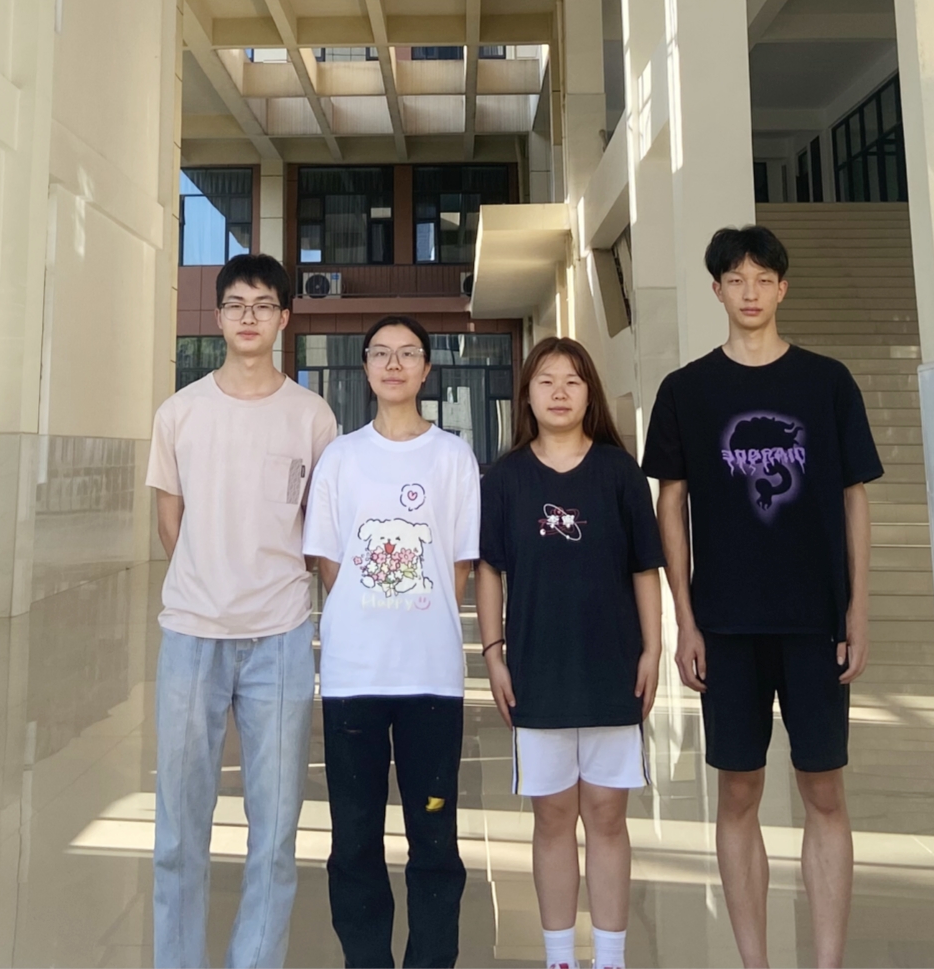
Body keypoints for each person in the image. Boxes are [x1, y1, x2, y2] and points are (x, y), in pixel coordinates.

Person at [640, 226, 883, 969]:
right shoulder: (686, 390)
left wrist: (858, 607)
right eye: (736, 279)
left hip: (815, 620)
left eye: (763, 278)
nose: (750, 292)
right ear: (716, 290)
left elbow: (854, 497)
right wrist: (685, 620)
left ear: (783, 288)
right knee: (738, 792)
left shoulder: (827, 382)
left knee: (824, 790)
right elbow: (670, 506)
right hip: (726, 623)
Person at [146, 253, 338, 969]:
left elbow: (319, 528)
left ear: (285, 316)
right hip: (191, 636)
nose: (248, 317)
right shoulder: (180, 412)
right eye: (236, 304)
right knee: (178, 831)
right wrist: (209, 577)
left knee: (276, 833)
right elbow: (171, 522)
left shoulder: (311, 416)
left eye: (263, 305)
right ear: (218, 316)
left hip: (280, 639)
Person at [476, 336, 664, 969]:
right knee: (553, 817)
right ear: (526, 395)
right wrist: (494, 653)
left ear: (590, 394)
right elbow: (490, 569)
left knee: (607, 816)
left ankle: (609, 958)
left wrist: (652, 649)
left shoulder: (619, 472)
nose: (559, 392)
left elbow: (644, 568)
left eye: (573, 381)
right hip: (537, 673)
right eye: (546, 381)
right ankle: (560, 957)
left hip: (613, 669)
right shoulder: (506, 478)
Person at [302, 312, 481, 968]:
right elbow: (328, 561)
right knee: (354, 838)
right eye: (381, 352)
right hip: (353, 676)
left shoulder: (453, 457)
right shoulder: (341, 457)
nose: (394, 363)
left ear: (426, 368)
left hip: (431, 676)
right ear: (366, 367)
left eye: (408, 353)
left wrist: (413, 614)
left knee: (433, 835)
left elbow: (459, 565)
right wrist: (367, 608)